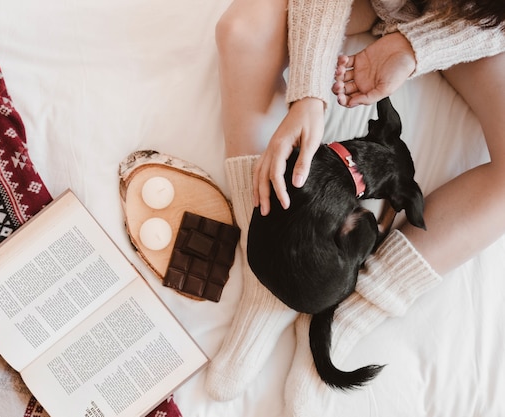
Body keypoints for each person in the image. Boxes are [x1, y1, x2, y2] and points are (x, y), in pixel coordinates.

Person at [204, 0, 505, 415]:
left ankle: (345, 315)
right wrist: (309, 92)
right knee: (241, 31)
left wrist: (414, 47)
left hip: (476, 23)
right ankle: (270, 283)